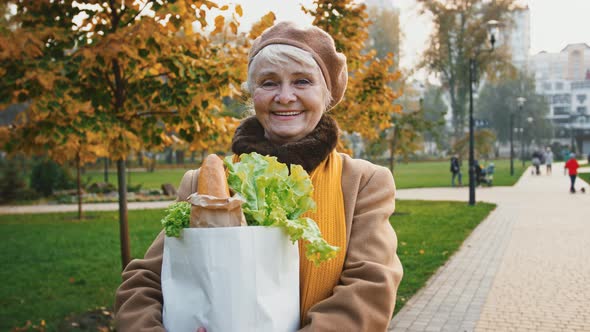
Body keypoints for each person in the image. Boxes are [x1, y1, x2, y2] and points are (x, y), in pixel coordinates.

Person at [114, 21, 403, 332]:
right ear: (252, 94)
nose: (285, 96)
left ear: (327, 94)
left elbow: (370, 288)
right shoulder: (204, 182)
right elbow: (142, 284)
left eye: (302, 81)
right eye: (268, 82)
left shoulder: (362, 183)